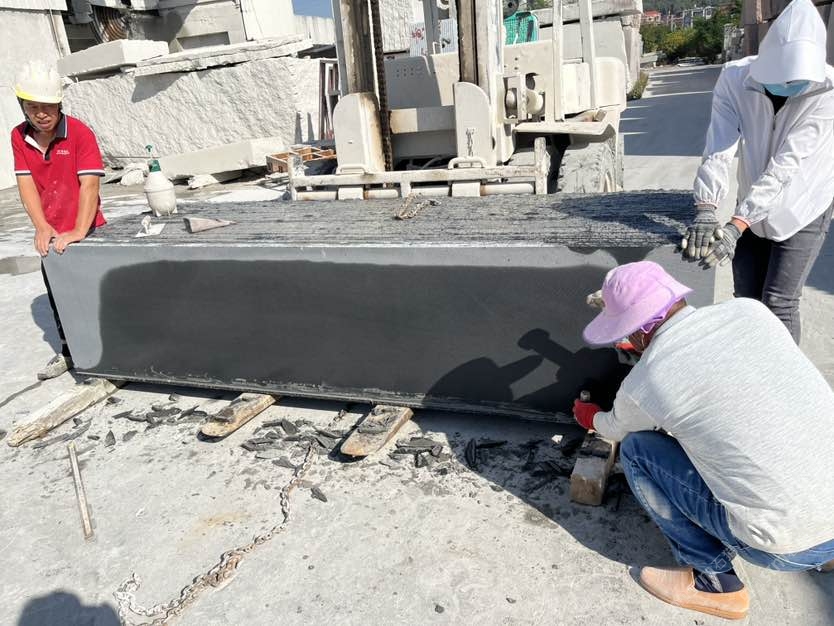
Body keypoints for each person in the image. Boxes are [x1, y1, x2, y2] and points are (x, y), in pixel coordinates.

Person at [573, 261, 834, 620]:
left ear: (637, 331)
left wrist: (589, 417)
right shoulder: (751, 312)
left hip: (787, 549)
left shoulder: (647, 379)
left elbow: (614, 428)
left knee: (637, 450)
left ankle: (713, 580)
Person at [683, 0, 834, 344]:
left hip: (804, 204)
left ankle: (782, 376)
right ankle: (750, 364)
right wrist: (706, 208)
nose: (786, 86)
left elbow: (786, 167)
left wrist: (736, 226)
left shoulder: (828, 92)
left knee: (779, 302)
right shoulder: (735, 78)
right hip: (752, 197)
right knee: (747, 300)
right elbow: (719, 146)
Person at [11, 61, 106, 379]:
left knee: (96, 294)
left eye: (47, 106)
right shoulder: (18, 136)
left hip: (88, 227)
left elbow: (89, 185)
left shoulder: (79, 133)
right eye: (32, 107)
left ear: (59, 104)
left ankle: (112, 351)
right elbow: (26, 184)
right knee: (59, 295)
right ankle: (68, 351)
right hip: (52, 231)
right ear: (23, 106)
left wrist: (79, 230)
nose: (41, 114)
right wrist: (41, 226)